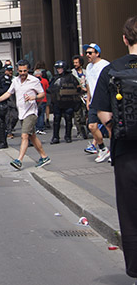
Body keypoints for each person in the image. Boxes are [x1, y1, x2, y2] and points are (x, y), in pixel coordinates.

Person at [92, 16, 137, 281]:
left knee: (130, 212)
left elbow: (103, 113)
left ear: (124, 39)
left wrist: (118, 133)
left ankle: (134, 267)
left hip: (125, 152)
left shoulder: (112, 70)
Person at [0, 60, 51, 170]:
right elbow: (8, 93)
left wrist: (34, 97)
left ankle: (19, 160)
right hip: (21, 112)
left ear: (28, 70)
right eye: (20, 71)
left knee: (24, 136)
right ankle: (44, 156)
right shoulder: (15, 81)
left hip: (31, 112)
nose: (22, 73)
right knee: (32, 137)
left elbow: (42, 93)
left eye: (25, 71)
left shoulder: (34, 80)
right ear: (17, 70)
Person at [83, 43, 111, 162]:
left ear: (97, 53)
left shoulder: (105, 65)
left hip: (105, 99)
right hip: (94, 100)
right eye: (86, 53)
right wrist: (88, 99)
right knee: (92, 126)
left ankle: (115, 150)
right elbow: (89, 84)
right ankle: (103, 149)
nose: (87, 55)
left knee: (109, 126)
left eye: (90, 53)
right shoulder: (88, 67)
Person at [48, 60, 81, 144]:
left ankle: (68, 136)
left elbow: (77, 89)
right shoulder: (55, 78)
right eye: (57, 68)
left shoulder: (71, 77)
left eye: (60, 68)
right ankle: (55, 137)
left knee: (68, 118)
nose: (59, 70)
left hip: (68, 102)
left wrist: (76, 102)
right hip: (57, 102)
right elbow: (49, 89)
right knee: (57, 119)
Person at [72, 55, 90, 139]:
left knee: (86, 113)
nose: (75, 64)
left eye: (77, 62)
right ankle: (80, 131)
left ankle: (87, 129)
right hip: (77, 96)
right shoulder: (72, 73)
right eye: (74, 62)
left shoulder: (86, 72)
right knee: (77, 114)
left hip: (86, 95)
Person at [33, 69, 50, 134]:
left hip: (35, 99)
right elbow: (47, 89)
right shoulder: (45, 80)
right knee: (42, 114)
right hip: (43, 99)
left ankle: (36, 127)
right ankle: (40, 128)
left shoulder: (33, 81)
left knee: (35, 114)